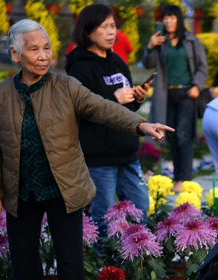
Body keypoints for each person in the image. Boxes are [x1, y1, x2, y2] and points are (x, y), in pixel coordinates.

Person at [0, 20, 173, 280]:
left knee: (70, 260)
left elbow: (103, 108)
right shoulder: (0, 94)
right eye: (34, 49)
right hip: (20, 189)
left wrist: (141, 125)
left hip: (64, 187)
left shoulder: (66, 86)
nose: (44, 56)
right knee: (23, 260)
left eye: (47, 48)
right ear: (15, 55)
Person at [65, 4, 151, 238]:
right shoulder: (78, 68)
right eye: (104, 27)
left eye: (113, 26)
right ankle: (101, 266)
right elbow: (78, 109)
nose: (111, 32)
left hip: (126, 151)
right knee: (102, 215)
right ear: (88, 31)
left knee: (140, 208)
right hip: (98, 156)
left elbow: (127, 108)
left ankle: (134, 256)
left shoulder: (118, 63)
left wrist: (137, 98)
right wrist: (111, 98)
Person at [143, 5, 208, 192]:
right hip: (166, 94)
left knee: (183, 136)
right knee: (170, 136)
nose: (168, 21)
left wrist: (197, 85)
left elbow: (202, 67)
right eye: (165, 18)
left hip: (187, 93)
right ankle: (177, 176)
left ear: (178, 20)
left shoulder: (191, 41)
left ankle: (184, 178)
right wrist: (150, 46)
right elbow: (148, 64)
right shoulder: (160, 42)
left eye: (171, 17)